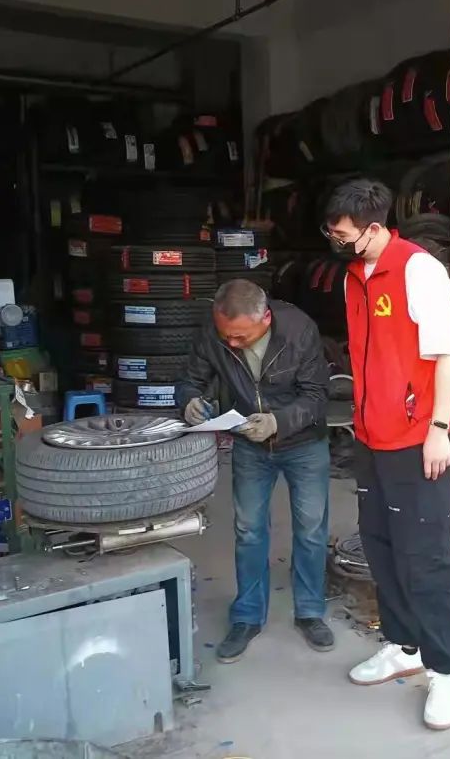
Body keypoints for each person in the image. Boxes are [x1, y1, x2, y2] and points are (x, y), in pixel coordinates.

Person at [322, 179, 450, 731]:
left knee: (425, 556)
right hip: (371, 436)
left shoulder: (418, 270)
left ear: (375, 229)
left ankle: (446, 670)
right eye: (332, 234)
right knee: (381, 547)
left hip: (417, 439)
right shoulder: (353, 277)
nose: (337, 243)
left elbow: (448, 353)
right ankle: (404, 647)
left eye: (343, 235)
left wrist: (438, 429)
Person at [178, 279, 333, 662]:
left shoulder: (299, 329)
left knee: (311, 530)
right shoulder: (214, 332)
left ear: (265, 319)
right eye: (226, 336)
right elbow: (191, 380)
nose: (232, 343)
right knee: (249, 531)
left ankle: (310, 612)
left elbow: (317, 396)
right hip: (249, 443)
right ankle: (247, 616)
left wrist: (278, 421)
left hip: (304, 444)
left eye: (240, 337)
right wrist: (190, 401)